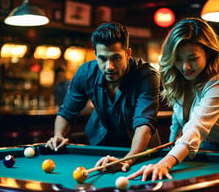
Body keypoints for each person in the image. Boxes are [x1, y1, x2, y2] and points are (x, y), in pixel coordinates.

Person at [127, 18, 219, 182]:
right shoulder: (181, 79)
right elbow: (177, 123)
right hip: (207, 146)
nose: (185, 66)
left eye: (192, 58)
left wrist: (167, 162)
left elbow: (196, 128)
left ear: (208, 53)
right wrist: (167, 153)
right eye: (178, 59)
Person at [46, 22, 162, 172]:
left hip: (140, 152)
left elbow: (143, 125)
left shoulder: (147, 76)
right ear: (95, 55)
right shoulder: (86, 73)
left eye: (116, 58)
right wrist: (58, 135)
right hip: (102, 145)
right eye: (103, 58)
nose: (109, 66)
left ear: (128, 54)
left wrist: (127, 161)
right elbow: (66, 112)